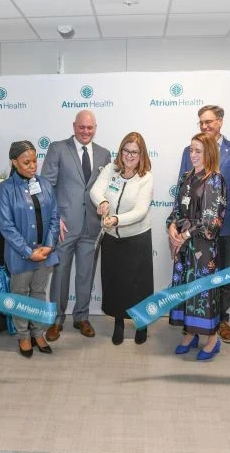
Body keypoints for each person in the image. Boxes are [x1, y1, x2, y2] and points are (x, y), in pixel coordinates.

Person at [177, 105, 230, 344]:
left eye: (209, 121)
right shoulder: (189, 152)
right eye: (201, 122)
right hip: (193, 230)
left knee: (223, 274)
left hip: (225, 226)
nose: (205, 126)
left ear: (220, 121)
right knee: (195, 276)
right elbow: (182, 190)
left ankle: (222, 319)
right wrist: (179, 226)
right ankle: (195, 320)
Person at [41, 110, 112, 340]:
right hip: (64, 226)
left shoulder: (104, 154)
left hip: (92, 226)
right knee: (60, 273)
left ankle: (81, 317)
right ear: (74, 126)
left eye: (90, 128)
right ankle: (56, 320)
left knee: (85, 275)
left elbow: (107, 188)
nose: (85, 131)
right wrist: (55, 219)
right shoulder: (57, 148)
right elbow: (46, 187)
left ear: (95, 128)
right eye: (82, 127)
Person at [89, 132, 155, 345]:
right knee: (115, 283)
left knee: (138, 285)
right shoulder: (111, 169)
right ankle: (118, 323)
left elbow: (140, 210)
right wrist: (102, 201)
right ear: (120, 151)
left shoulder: (146, 177)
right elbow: (96, 190)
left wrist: (116, 219)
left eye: (134, 152)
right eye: (126, 150)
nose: (129, 155)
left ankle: (141, 323)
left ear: (141, 154)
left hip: (136, 239)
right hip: (111, 238)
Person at [0, 141, 59, 358]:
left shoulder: (45, 184)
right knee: (21, 294)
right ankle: (23, 336)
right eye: (26, 162)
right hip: (20, 254)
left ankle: (38, 333)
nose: (33, 166)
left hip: (45, 253)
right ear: (14, 162)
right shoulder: (6, 188)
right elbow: (6, 226)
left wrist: (49, 245)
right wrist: (28, 251)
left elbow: (54, 217)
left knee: (39, 293)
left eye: (34, 160)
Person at [169, 132, 227, 361]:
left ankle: (212, 340)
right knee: (184, 289)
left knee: (203, 291)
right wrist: (172, 227)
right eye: (191, 150)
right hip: (182, 247)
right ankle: (190, 333)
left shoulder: (215, 180)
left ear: (209, 152)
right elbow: (176, 209)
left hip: (202, 247)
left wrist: (185, 235)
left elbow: (212, 220)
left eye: (198, 151)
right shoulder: (185, 177)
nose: (193, 155)